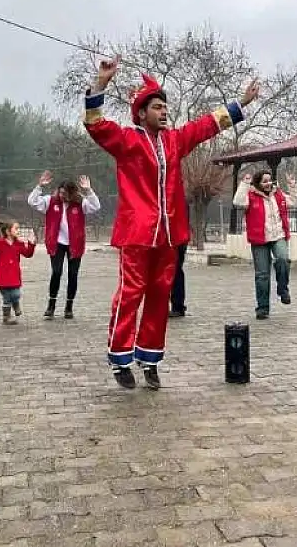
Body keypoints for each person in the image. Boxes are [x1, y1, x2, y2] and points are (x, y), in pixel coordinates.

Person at [84, 55, 259, 389]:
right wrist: (101, 83)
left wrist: (241, 104)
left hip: (168, 235)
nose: (164, 112)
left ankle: (149, 358)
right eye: (157, 107)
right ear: (141, 113)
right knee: (131, 293)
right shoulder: (127, 141)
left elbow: (207, 125)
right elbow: (95, 125)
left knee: (160, 294)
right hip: (137, 233)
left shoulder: (174, 140)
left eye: (165, 107)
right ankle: (120, 357)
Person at [27, 171, 101, 319]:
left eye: (65, 193)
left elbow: (96, 206)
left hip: (75, 243)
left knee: (73, 275)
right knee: (56, 272)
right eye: (60, 192)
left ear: (72, 193)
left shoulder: (80, 203)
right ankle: (51, 305)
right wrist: (39, 186)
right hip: (57, 243)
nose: (62, 196)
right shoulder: (50, 201)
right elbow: (32, 201)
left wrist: (89, 190)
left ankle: (69, 306)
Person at [233, 170, 297, 319]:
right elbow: (237, 201)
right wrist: (245, 183)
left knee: (283, 259)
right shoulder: (250, 197)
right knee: (262, 275)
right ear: (258, 183)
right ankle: (263, 308)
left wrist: (293, 185)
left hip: (278, 235)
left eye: (269, 180)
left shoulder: (278, 195)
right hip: (260, 239)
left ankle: (282, 289)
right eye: (264, 181)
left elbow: (296, 200)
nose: (268, 184)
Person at [0, 221, 36, 325]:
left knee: (16, 294)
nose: (18, 231)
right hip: (1, 276)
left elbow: (28, 253)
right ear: (8, 231)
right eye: (16, 229)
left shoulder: (18, 244)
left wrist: (31, 243)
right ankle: (6, 317)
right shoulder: (0, 242)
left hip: (14, 276)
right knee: (6, 297)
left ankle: (15, 303)